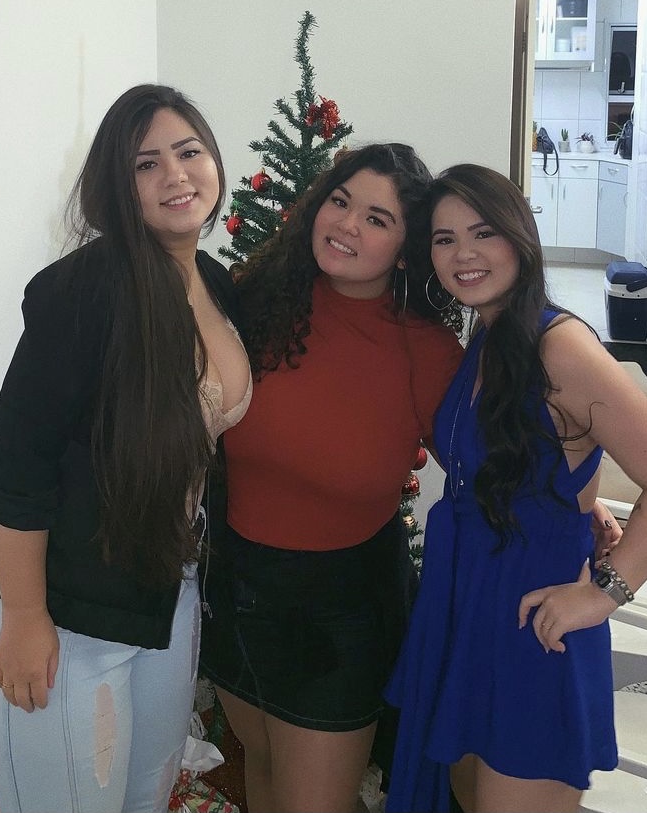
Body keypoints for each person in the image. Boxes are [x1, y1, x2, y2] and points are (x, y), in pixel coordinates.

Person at [0, 84, 252, 813]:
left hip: (164, 595)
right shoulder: (81, 292)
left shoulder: (216, 283)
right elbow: (16, 466)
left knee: (145, 800)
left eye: (188, 152)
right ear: (115, 188)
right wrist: (25, 616)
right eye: (145, 164)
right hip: (65, 606)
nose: (175, 175)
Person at [385, 164, 647, 813]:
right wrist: (574, 502)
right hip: (467, 603)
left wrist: (603, 594)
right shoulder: (491, 332)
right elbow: (527, 453)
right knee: (468, 793)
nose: (464, 254)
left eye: (483, 232)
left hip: (533, 624)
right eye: (444, 239)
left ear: (520, 236)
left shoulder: (561, 348)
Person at [198, 143, 465, 813]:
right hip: (236, 590)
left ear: (405, 250)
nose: (346, 224)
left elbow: (489, 468)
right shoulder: (256, 303)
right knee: (260, 777)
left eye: (377, 219)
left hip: (342, 615)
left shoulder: (426, 350)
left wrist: (581, 504)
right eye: (340, 202)